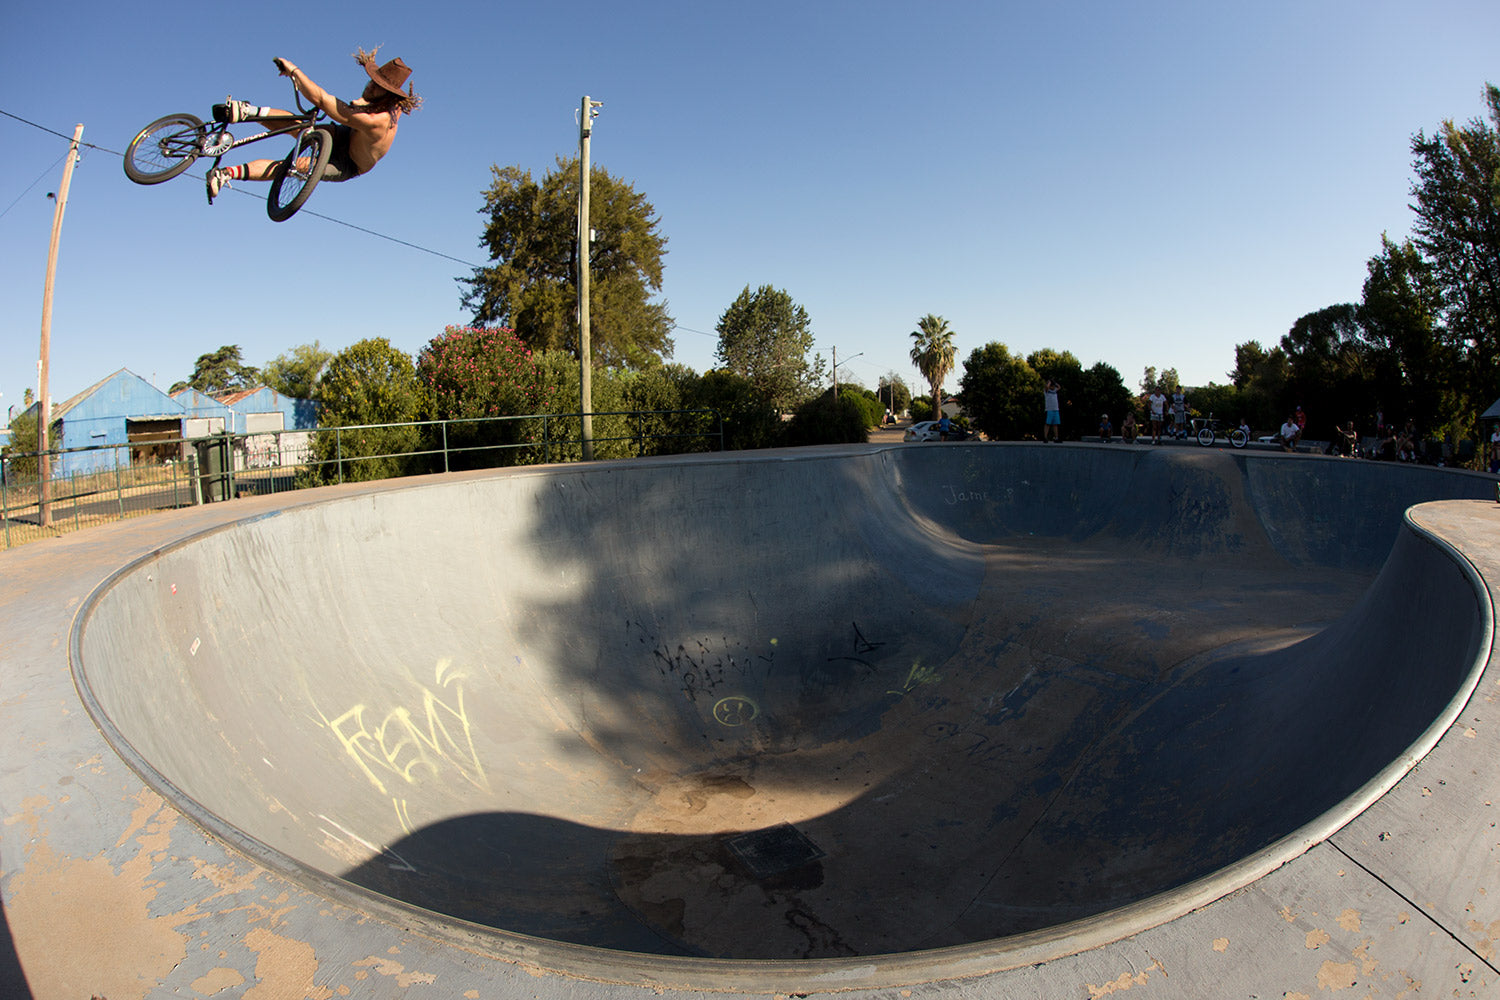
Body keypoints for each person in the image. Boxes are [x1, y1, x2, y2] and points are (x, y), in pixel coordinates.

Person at [205, 47, 420, 203]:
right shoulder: (381, 103)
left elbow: (323, 101)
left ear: (389, 96)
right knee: (301, 127)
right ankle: (247, 111)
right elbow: (359, 104)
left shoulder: (378, 122)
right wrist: (359, 105)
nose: (370, 86)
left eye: (377, 86)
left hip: (349, 163)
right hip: (347, 135)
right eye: (372, 81)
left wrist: (294, 72)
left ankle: (225, 174)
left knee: (293, 166)